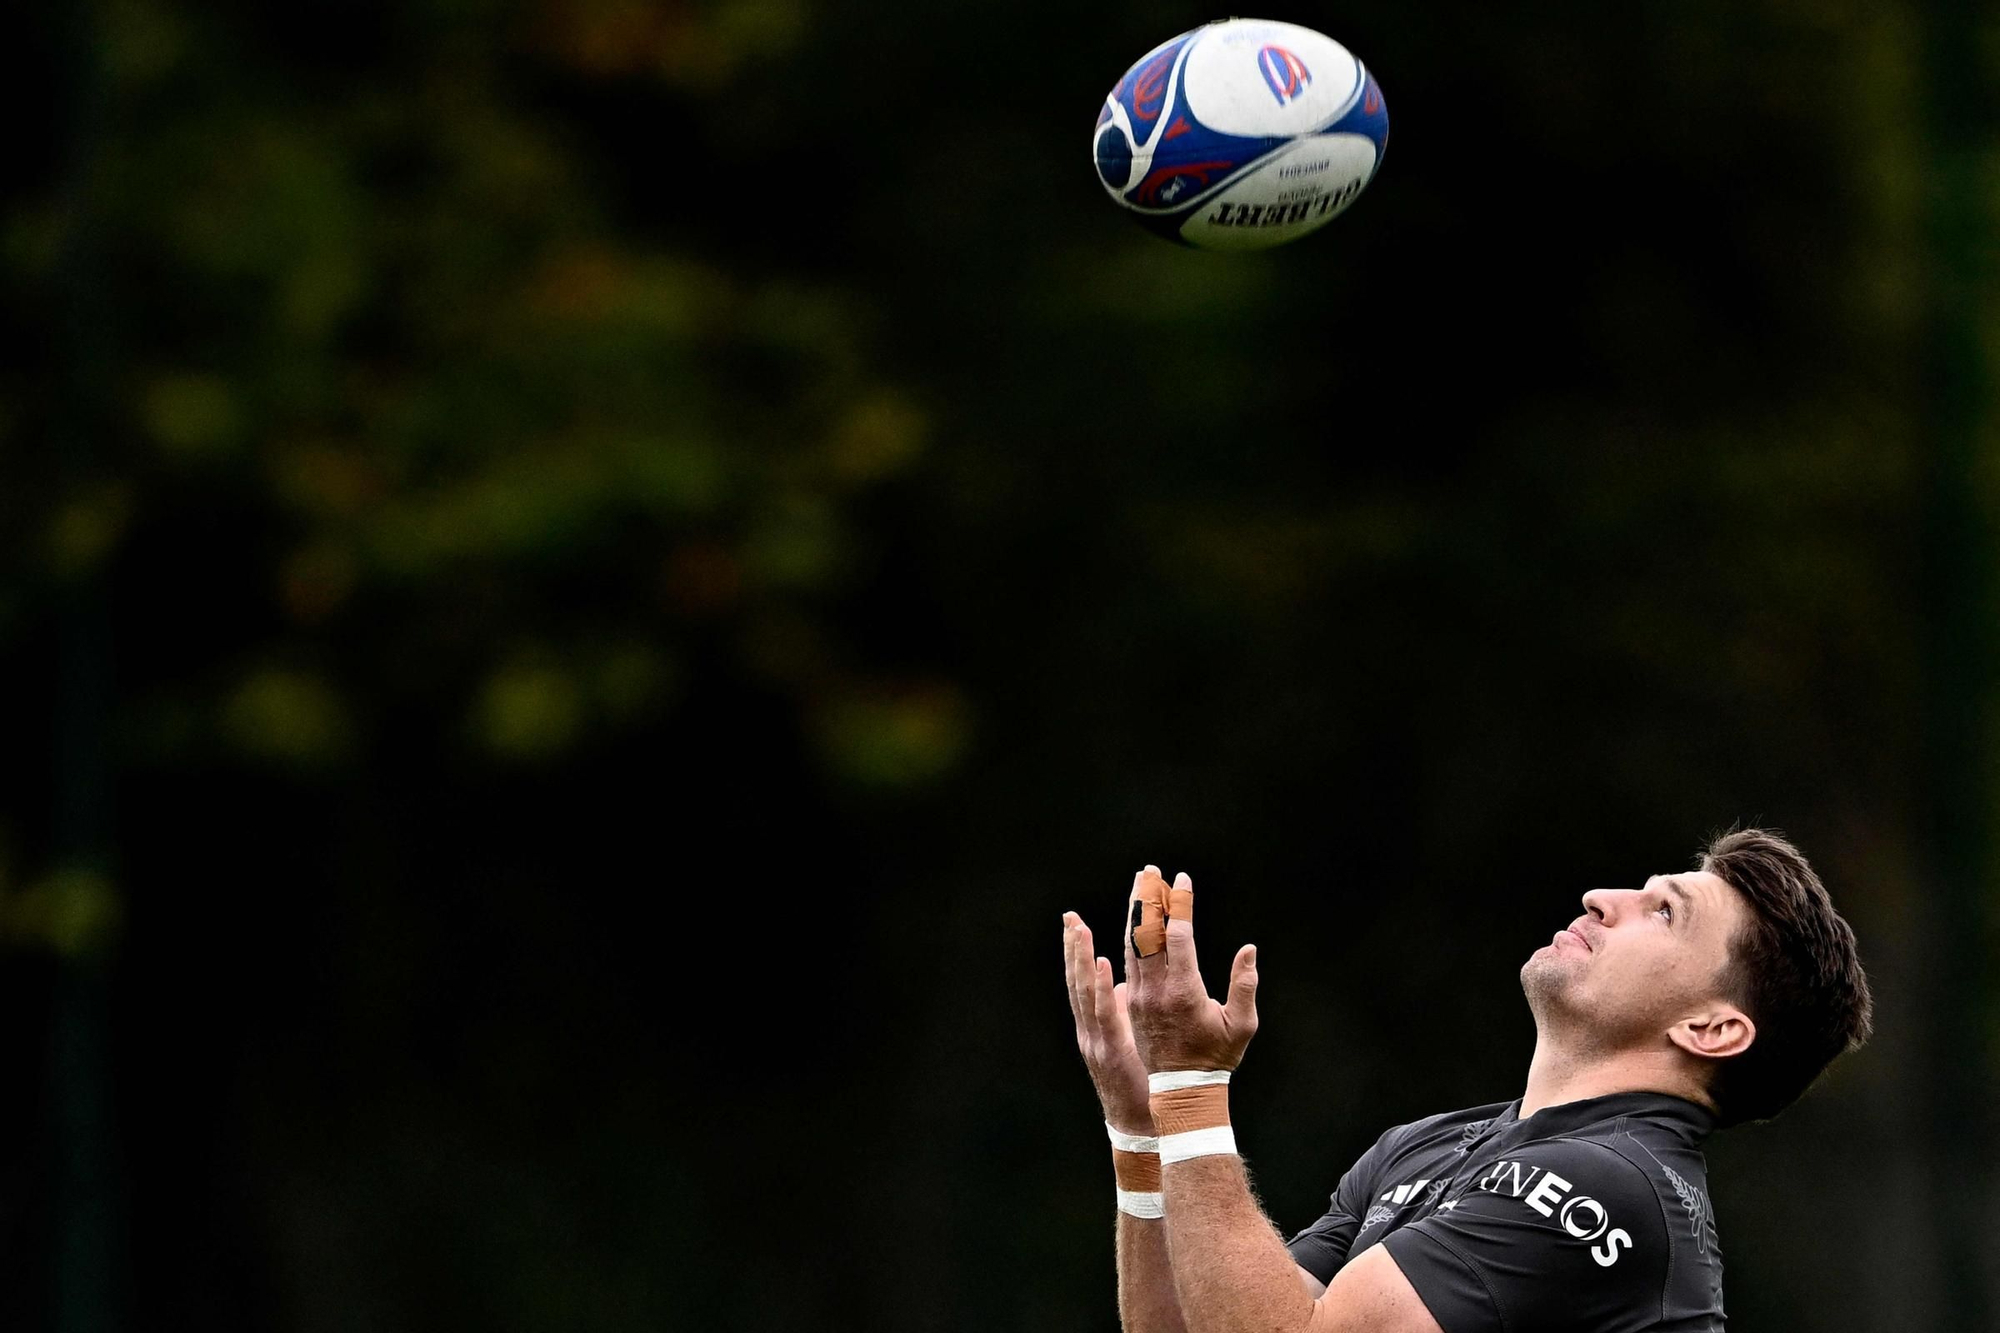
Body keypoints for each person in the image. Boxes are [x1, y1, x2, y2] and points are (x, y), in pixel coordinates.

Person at [1060, 828, 1871, 1332]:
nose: (1603, 896)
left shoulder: (1615, 1188)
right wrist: (1147, 1124)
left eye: (1665, 912)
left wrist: (1194, 1085)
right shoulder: (1425, 1147)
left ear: (1712, 1029)